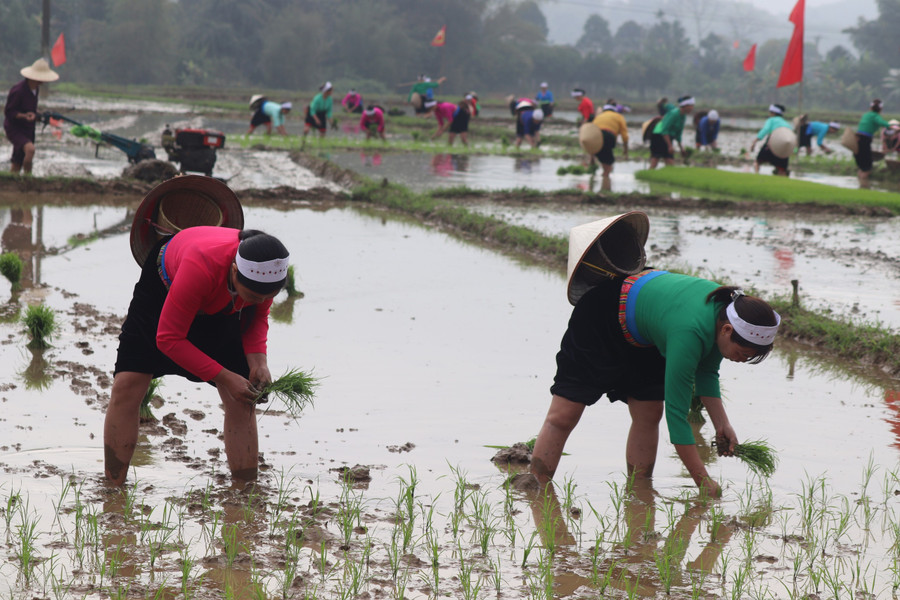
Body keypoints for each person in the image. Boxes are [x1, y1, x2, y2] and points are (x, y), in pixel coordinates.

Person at [530, 216, 781, 498]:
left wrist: (723, 425)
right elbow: (678, 419)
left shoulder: (722, 318)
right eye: (742, 354)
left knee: (649, 412)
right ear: (727, 330)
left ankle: (639, 494)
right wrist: (704, 482)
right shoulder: (690, 333)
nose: (740, 361)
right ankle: (535, 488)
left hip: (650, 334)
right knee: (565, 414)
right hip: (604, 316)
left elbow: (707, 373)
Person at [104, 177, 291, 486]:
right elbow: (168, 338)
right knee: (127, 385)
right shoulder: (202, 266)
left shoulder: (263, 277)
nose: (254, 302)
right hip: (164, 289)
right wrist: (225, 376)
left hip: (220, 305)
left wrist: (258, 363)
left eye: (263, 297)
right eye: (251, 295)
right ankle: (113, 486)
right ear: (234, 270)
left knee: (243, 398)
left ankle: (245, 492)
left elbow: (257, 318)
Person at [3, 58, 59, 175]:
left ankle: (12, 183)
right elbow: (9, 112)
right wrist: (24, 116)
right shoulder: (18, 91)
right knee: (30, 150)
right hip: (15, 128)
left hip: (28, 128)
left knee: (17, 161)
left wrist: (38, 114)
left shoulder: (35, 89)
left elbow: (31, 109)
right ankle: (29, 180)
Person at [591, 100, 629, 187]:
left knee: (604, 159)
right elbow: (624, 135)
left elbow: (591, 134)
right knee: (609, 161)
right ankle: (606, 183)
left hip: (596, 136)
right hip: (608, 136)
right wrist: (625, 150)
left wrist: (592, 156)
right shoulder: (619, 116)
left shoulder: (599, 116)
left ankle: (604, 179)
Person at [649, 95, 694, 169]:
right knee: (656, 159)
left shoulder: (683, 116)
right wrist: (670, 146)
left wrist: (681, 149)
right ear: (685, 106)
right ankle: (649, 174)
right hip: (659, 135)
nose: (692, 108)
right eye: (691, 106)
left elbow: (678, 134)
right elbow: (665, 130)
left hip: (668, 138)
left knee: (670, 162)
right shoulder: (674, 114)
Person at [854, 99, 892, 187]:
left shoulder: (866, 115)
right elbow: (882, 123)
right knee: (867, 168)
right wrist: (893, 126)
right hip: (865, 140)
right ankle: (864, 186)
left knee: (862, 166)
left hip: (857, 139)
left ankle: (860, 184)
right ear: (880, 109)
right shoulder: (876, 116)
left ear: (870, 107)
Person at [750, 104, 793, 176]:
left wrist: (755, 141)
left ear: (773, 113)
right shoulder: (787, 124)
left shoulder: (771, 120)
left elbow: (765, 130)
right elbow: (791, 138)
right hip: (784, 148)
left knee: (757, 162)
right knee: (782, 169)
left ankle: (756, 176)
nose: (769, 114)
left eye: (770, 112)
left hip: (772, 143)